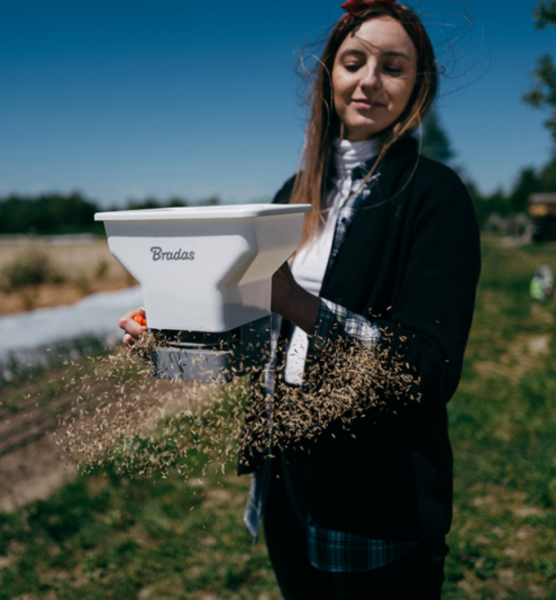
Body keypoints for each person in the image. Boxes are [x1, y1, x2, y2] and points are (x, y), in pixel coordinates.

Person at [119, 0, 481, 597]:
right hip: (285, 485)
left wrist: (297, 303)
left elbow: (428, 368)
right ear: (328, 77)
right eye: (354, 60)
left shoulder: (434, 197)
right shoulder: (294, 195)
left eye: (393, 66)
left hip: (373, 501)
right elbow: (261, 345)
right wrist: (168, 347)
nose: (369, 79)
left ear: (417, 87)